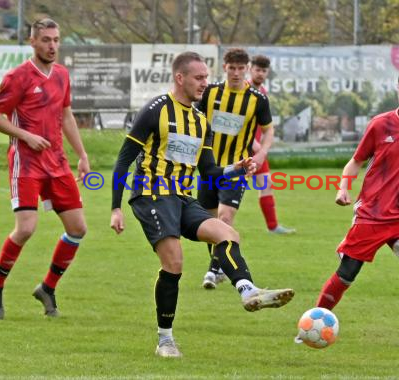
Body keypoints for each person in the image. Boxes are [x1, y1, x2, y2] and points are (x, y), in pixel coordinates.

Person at [110, 52, 294, 358]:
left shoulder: (200, 121)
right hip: (151, 193)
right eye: (199, 78)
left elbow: (208, 171)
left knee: (228, 234)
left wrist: (236, 167)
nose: (205, 84)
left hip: (181, 197)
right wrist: (116, 207)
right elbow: (123, 159)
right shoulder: (156, 110)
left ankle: (248, 291)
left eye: (207, 78)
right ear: (180, 78)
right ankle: (165, 340)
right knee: (175, 264)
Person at [308, 68, 399, 348]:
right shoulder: (380, 124)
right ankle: (314, 321)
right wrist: (343, 187)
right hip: (372, 213)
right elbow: (355, 161)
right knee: (347, 273)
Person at [0, 19, 89, 319]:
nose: (52, 45)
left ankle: (48, 288)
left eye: (56, 39)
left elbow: (67, 116)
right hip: (26, 163)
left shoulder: (61, 75)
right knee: (26, 228)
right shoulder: (17, 76)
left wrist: (82, 154)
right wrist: (26, 136)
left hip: (56, 164)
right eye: (45, 40)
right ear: (32, 42)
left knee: (78, 229)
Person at [195, 48, 274, 289]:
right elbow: (194, 119)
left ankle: (212, 270)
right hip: (209, 168)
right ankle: (218, 266)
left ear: (247, 69)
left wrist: (261, 154)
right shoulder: (210, 93)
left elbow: (269, 129)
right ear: (225, 67)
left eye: (241, 69)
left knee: (225, 216)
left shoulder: (257, 99)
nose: (237, 73)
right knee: (209, 222)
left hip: (237, 168)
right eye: (232, 68)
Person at [248, 54, 296, 235]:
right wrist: (251, 142)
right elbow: (237, 123)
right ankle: (219, 228)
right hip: (241, 149)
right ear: (250, 69)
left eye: (263, 70)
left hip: (258, 151)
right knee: (229, 192)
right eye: (257, 70)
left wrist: (262, 142)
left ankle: (273, 226)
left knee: (265, 185)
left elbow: (264, 124)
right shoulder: (243, 92)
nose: (260, 73)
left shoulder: (263, 93)